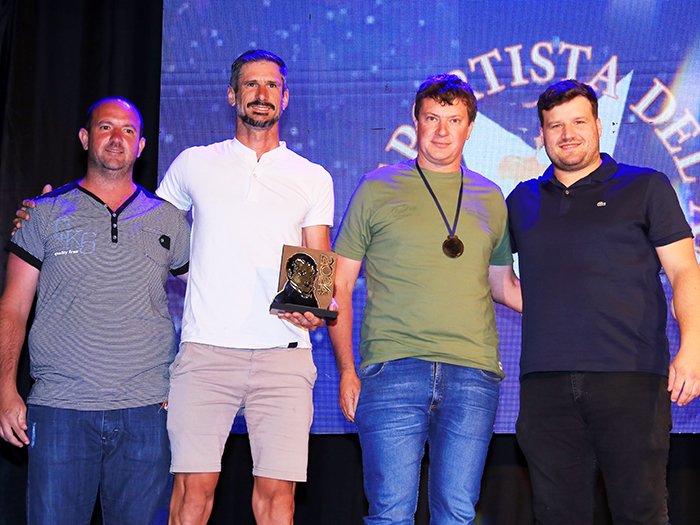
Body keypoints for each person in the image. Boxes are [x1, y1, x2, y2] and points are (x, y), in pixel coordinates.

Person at [328, 74, 521, 524]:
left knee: (457, 513)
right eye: (432, 118)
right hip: (392, 368)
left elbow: (503, 286)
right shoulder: (376, 187)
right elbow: (339, 284)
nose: (442, 130)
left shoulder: (491, 197)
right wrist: (346, 371)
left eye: (453, 120)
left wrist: (576, 305)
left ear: (469, 127)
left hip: (472, 372)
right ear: (415, 121)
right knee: (390, 513)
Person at [507, 79, 700, 524]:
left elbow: (684, 272)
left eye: (578, 122)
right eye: (555, 125)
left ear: (599, 125)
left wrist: (692, 348)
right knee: (557, 514)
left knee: (640, 511)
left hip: (631, 376)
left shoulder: (646, 186)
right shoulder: (521, 199)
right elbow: (499, 280)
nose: (567, 134)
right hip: (544, 383)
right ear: (541, 134)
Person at [156, 50, 333, 525]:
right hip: (205, 352)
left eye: (272, 85)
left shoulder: (312, 177)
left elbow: (317, 267)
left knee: (277, 502)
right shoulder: (194, 163)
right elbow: (151, 235)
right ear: (233, 95)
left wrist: (316, 308)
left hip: (284, 355)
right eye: (251, 84)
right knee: (191, 498)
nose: (261, 94)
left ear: (285, 98)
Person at [0, 97, 190, 524]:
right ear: (86, 138)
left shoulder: (169, 220)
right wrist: (4, 389)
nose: (117, 138)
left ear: (141, 145)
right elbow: (12, 307)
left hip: (147, 411)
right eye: (106, 127)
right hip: (60, 409)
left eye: (128, 130)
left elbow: (210, 293)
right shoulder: (43, 213)